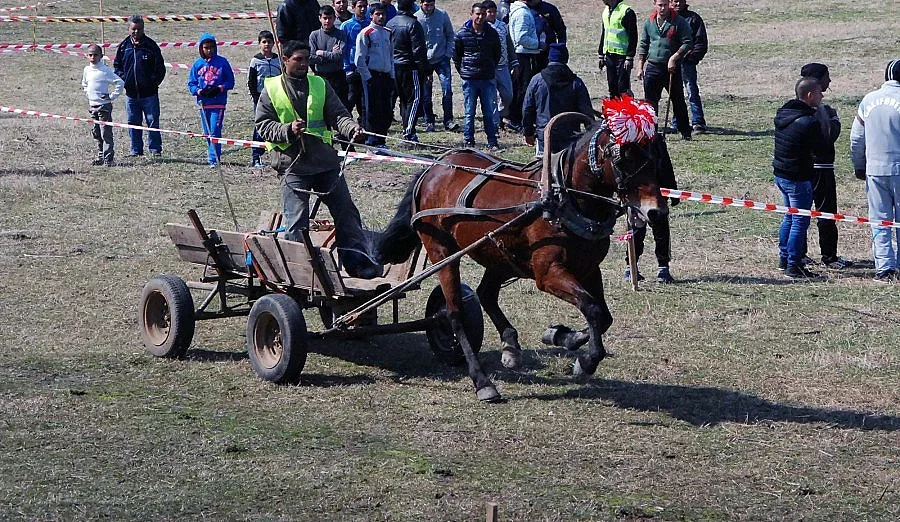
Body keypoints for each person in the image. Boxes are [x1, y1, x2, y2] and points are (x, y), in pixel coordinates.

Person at [254, 40, 381, 279]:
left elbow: (339, 115)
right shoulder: (272, 88)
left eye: (306, 59)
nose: (304, 64)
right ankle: (297, 269)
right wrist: (288, 130)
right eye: (298, 59)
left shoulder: (319, 84)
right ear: (285, 59)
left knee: (346, 212)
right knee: (297, 219)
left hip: (325, 163)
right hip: (293, 165)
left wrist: (351, 128)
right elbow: (262, 126)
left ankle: (355, 261)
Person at [850, 60, 900, 282]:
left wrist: (859, 165)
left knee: (879, 219)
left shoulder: (868, 100)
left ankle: (884, 267)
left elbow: (856, 138)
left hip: (875, 169)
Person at [773, 77, 828, 279]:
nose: (823, 96)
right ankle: (794, 265)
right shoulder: (807, 122)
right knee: (800, 220)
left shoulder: (784, 113)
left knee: (789, 216)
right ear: (810, 95)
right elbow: (822, 147)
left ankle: (784, 258)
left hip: (781, 174)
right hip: (798, 177)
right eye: (820, 92)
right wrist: (827, 122)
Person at [800, 63, 853, 270]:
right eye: (827, 78)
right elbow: (829, 137)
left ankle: (800, 254)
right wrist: (834, 120)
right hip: (821, 169)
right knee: (826, 213)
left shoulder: (792, 110)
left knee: (800, 212)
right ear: (817, 81)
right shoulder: (822, 112)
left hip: (802, 169)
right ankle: (829, 257)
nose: (829, 82)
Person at [521, 43, 592, 157]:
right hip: (571, 139)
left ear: (549, 58)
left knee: (542, 171)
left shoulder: (537, 80)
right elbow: (587, 113)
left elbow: (527, 109)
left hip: (545, 137)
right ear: (566, 59)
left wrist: (528, 133)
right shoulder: (576, 83)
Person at [636, 0, 692, 140]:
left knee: (677, 100)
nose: (662, 8)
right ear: (654, 4)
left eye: (665, 5)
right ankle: (652, 133)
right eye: (660, 5)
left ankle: (685, 132)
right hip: (653, 67)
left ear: (669, 4)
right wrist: (640, 66)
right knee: (650, 103)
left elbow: (687, 42)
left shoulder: (678, 21)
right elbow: (644, 43)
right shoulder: (649, 22)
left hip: (671, 69)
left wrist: (674, 57)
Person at [113, 15, 166, 157]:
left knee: (152, 121)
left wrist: (152, 83)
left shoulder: (151, 46)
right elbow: (117, 66)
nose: (136, 32)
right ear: (129, 28)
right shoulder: (124, 46)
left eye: (140, 29)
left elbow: (160, 68)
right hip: (131, 94)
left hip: (150, 94)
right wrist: (125, 80)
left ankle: (155, 150)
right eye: (134, 29)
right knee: (133, 123)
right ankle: (136, 150)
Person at [453, 2, 502, 150]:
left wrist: (490, 68)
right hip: (470, 78)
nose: (480, 17)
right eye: (477, 14)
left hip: (487, 77)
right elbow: (456, 56)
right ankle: (469, 141)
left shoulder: (492, 33)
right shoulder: (462, 34)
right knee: (469, 112)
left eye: (483, 14)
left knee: (488, 112)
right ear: (471, 14)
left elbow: (497, 53)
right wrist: (463, 72)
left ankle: (492, 141)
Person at [387, 0, 429, 142]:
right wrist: (425, 71)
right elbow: (419, 51)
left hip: (394, 66)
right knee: (414, 100)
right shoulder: (413, 24)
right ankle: (409, 133)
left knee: (405, 101)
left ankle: (407, 129)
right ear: (412, 7)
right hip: (410, 67)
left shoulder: (390, 23)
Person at [416, 0, 459, 132]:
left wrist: (447, 54)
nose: (429, 8)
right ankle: (429, 121)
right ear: (421, 3)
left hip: (442, 59)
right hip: (425, 61)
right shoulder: (416, 18)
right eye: (426, 5)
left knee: (447, 90)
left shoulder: (442, 15)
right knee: (426, 93)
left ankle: (448, 120)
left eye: (431, 5)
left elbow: (451, 35)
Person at [355, 2, 394, 148]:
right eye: (377, 14)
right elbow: (359, 58)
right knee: (371, 109)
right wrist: (367, 77)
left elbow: (391, 56)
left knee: (386, 109)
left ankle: (381, 140)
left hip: (386, 76)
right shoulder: (366, 33)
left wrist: (392, 74)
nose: (381, 16)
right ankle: (371, 141)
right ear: (371, 15)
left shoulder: (388, 33)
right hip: (371, 75)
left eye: (382, 13)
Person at [82, 44, 124, 167]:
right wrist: (88, 94)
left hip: (104, 107)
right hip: (92, 106)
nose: (93, 57)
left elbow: (119, 83)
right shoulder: (87, 70)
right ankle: (101, 156)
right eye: (90, 55)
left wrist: (111, 97)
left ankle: (108, 159)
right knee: (96, 133)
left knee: (106, 133)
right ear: (87, 56)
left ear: (101, 56)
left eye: (95, 55)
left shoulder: (105, 70)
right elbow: (84, 84)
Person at [670, 0, 707, 134]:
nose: (678, 4)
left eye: (680, 0)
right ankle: (677, 123)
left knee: (691, 92)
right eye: (675, 1)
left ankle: (698, 122)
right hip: (672, 63)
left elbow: (701, 43)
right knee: (675, 93)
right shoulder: (667, 19)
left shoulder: (694, 18)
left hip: (687, 63)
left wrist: (690, 59)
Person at [248, 30, 282, 168]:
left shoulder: (278, 60)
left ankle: (278, 154)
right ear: (259, 44)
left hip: (276, 98)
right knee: (259, 128)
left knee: (276, 125)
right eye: (264, 42)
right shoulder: (255, 61)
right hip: (260, 99)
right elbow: (251, 82)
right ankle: (256, 156)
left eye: (269, 41)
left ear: (274, 43)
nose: (267, 44)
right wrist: (256, 97)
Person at [484, 0, 518, 132]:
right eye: (489, 12)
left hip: (503, 66)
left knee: (508, 94)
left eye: (493, 12)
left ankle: (502, 114)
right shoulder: (482, 27)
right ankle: (495, 123)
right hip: (488, 68)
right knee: (491, 96)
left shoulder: (503, 26)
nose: (492, 14)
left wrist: (514, 64)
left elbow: (510, 46)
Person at [507, 0, 540, 131]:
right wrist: (538, 44)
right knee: (523, 88)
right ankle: (517, 119)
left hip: (521, 54)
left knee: (520, 87)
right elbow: (521, 37)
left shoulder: (519, 10)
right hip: (523, 55)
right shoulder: (523, 13)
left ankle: (515, 118)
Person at [310, 5, 349, 110]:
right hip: (320, 77)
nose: (327, 21)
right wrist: (331, 54)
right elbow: (311, 58)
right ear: (320, 18)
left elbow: (339, 56)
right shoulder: (314, 35)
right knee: (322, 107)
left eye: (330, 18)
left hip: (338, 76)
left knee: (340, 106)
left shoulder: (341, 34)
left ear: (334, 18)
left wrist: (322, 53)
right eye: (325, 18)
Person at [597, 0, 637, 98]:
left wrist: (629, 56)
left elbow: (633, 36)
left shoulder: (626, 11)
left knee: (623, 88)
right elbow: (605, 33)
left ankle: (627, 110)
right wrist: (601, 54)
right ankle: (614, 111)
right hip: (609, 55)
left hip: (622, 57)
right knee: (612, 87)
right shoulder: (606, 11)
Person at [341, 0, 370, 125]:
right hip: (352, 69)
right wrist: (347, 68)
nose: (362, 9)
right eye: (360, 6)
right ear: (353, 8)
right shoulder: (346, 26)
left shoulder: (370, 24)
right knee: (350, 100)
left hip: (367, 69)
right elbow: (343, 48)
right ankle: (345, 127)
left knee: (365, 102)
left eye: (364, 6)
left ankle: (364, 128)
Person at [526, 0, 565, 73]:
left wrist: (560, 48)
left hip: (547, 52)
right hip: (527, 53)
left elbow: (561, 31)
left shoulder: (550, 9)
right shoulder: (521, 9)